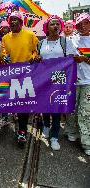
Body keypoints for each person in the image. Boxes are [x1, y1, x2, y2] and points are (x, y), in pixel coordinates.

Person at [1, 11, 39, 147]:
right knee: (16, 104)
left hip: (28, 76)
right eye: (11, 20)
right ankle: (19, 123)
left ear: (21, 22)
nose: (12, 22)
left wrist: (34, 57)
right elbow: (4, 54)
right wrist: (3, 58)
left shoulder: (30, 35)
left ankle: (22, 131)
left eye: (16, 20)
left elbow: (36, 51)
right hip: (12, 77)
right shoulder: (5, 38)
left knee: (24, 104)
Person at [37, 15, 66, 150]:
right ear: (47, 28)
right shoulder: (41, 43)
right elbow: (38, 59)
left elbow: (71, 59)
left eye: (57, 24)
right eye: (52, 24)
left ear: (60, 27)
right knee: (45, 105)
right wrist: (36, 58)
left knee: (56, 107)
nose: (55, 26)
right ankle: (46, 126)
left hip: (59, 77)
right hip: (44, 78)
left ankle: (54, 136)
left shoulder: (65, 42)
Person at [65, 13, 90, 156]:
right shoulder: (71, 40)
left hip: (88, 83)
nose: (83, 26)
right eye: (79, 24)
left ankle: (86, 142)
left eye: (85, 23)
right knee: (72, 109)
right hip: (73, 82)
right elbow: (66, 60)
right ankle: (71, 132)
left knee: (85, 113)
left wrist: (84, 59)